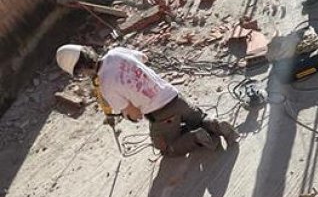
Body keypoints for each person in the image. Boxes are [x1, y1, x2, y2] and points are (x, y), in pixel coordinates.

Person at [55, 44, 237, 156]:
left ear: (81, 71)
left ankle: (195, 137)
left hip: (161, 113)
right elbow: (144, 57)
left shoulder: (105, 86)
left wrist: (128, 115)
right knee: (197, 118)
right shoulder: (116, 52)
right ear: (89, 52)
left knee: (165, 147)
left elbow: (136, 114)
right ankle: (213, 124)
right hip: (175, 96)